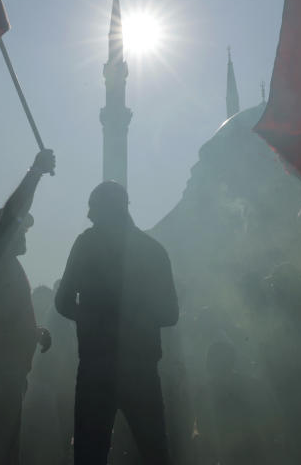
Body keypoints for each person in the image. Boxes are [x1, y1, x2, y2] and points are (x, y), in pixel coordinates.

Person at [55, 181, 179, 465]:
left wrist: (92, 319)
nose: (89, 216)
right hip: (141, 369)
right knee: (155, 451)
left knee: (89, 453)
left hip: (96, 368)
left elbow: (62, 302)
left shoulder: (86, 244)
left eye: (94, 209)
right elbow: (170, 313)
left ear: (107, 210)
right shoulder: (153, 250)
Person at [0, 149, 55, 465]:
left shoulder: (6, 268)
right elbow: (12, 212)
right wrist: (35, 173)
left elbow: (3, 315)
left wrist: (33, 332)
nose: (25, 231)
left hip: (5, 373)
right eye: (21, 227)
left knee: (4, 449)